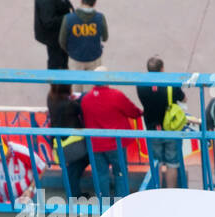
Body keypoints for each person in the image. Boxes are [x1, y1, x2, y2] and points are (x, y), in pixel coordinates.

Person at [79, 70, 143, 200]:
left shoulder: (85, 99)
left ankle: (104, 206)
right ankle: (122, 203)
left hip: (95, 145)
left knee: (101, 175)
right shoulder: (116, 96)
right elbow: (133, 112)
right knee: (120, 173)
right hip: (116, 144)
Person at [137, 56, 186, 189]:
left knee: (156, 163)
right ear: (162, 69)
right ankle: (170, 192)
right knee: (172, 163)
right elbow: (184, 99)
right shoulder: (171, 84)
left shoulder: (140, 85)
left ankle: (157, 191)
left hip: (152, 128)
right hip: (170, 129)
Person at [47, 83, 89, 198]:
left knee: (73, 168)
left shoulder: (50, 98)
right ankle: (74, 195)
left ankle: (74, 193)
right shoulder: (70, 105)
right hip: (73, 144)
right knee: (83, 161)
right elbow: (80, 107)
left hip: (59, 143)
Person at [59, 0, 108, 79]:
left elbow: (62, 41)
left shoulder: (68, 18)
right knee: (93, 86)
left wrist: (71, 51)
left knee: (76, 87)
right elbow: (105, 38)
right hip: (94, 57)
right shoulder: (100, 17)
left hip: (75, 58)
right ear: (94, 3)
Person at [33, 0, 73, 71]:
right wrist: (68, 17)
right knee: (55, 59)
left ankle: (62, 71)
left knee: (60, 56)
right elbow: (48, 22)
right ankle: (55, 82)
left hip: (53, 32)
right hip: (52, 36)